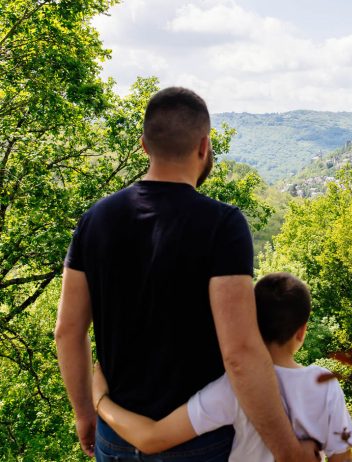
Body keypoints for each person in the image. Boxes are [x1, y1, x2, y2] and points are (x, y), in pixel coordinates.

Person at [55, 87, 318, 462]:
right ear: (204, 146)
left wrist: (84, 412)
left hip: (114, 435)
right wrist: (287, 452)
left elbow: (67, 330)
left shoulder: (95, 220)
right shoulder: (222, 225)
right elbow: (241, 353)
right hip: (197, 442)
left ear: (144, 146)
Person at [93, 273, 352, 461]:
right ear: (301, 332)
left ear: (251, 322)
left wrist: (100, 401)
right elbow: (342, 458)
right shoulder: (325, 383)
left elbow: (151, 439)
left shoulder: (234, 386)